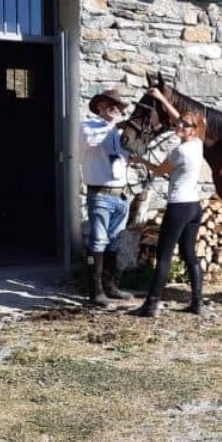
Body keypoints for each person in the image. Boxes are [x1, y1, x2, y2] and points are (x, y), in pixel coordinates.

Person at [131, 89, 206, 317]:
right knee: (189, 254)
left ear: (193, 130)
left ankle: (151, 304)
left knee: (163, 255)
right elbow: (179, 119)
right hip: (194, 207)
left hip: (179, 207)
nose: (179, 127)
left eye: (184, 126)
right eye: (179, 124)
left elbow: (158, 170)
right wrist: (163, 99)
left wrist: (140, 159)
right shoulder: (198, 143)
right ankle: (197, 302)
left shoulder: (180, 152)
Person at [80, 88, 134, 307]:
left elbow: (131, 155)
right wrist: (115, 126)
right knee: (97, 243)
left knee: (113, 242)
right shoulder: (88, 127)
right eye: (109, 105)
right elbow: (91, 141)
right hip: (100, 193)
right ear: (99, 107)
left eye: (117, 106)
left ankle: (110, 286)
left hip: (120, 194)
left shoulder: (121, 133)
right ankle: (94, 291)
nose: (114, 109)